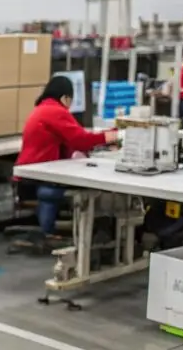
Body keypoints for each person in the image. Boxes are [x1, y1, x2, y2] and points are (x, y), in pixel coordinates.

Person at [14, 76, 117, 235]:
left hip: (29, 175)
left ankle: (55, 232)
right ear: (65, 98)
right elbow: (81, 140)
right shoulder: (56, 111)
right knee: (93, 189)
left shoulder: (42, 108)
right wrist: (111, 136)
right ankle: (82, 233)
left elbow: (66, 141)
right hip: (39, 178)